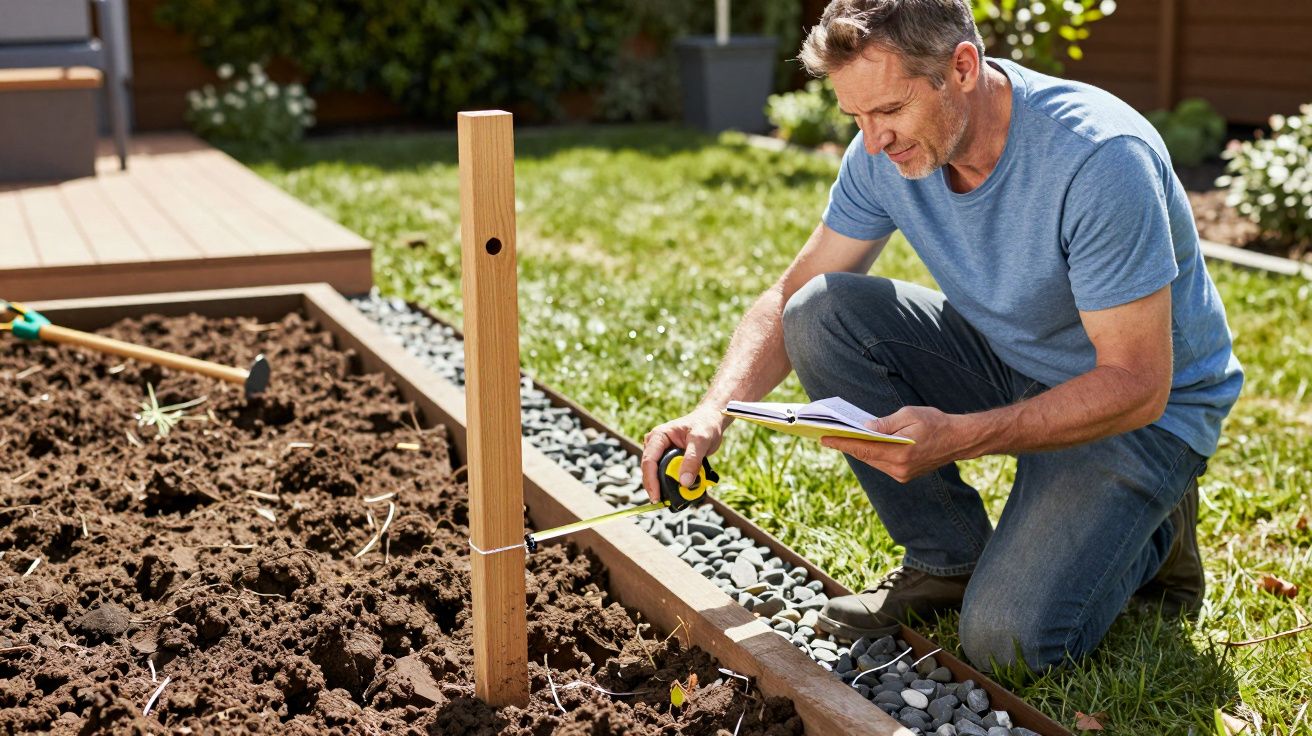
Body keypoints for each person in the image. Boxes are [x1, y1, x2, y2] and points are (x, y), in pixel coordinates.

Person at [639, 0, 1243, 673]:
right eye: (856, 118)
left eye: (890, 111)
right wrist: (711, 412)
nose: (872, 141)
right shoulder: (883, 151)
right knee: (820, 310)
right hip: (1013, 354)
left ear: (961, 67)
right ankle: (947, 558)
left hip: (1141, 410)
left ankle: (1158, 529)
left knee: (1007, 646)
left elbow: (1138, 383)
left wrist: (963, 435)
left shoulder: (1099, 159)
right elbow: (787, 298)